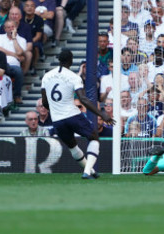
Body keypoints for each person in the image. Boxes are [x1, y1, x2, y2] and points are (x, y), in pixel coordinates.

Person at [41, 49, 114, 179]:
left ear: (59, 60)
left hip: (57, 119)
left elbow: (45, 102)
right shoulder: (74, 77)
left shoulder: (47, 76)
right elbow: (83, 99)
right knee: (93, 136)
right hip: (72, 115)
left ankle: (90, 171)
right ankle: (87, 171)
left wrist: (56, 109)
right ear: (71, 60)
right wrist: (101, 114)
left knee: (72, 147)